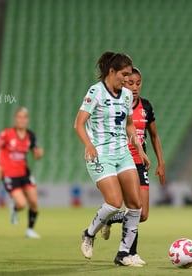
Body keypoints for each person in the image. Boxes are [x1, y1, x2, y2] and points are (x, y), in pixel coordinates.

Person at [74, 52, 150, 266]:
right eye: (124, 74)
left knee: (136, 206)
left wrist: (140, 150)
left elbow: (128, 125)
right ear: (112, 72)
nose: (127, 79)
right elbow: (79, 124)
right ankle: (89, 234)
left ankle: (124, 254)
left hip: (123, 153)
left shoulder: (126, 95)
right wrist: (88, 144)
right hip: (101, 154)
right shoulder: (95, 92)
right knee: (115, 203)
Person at [100, 67, 165, 265]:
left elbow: (153, 135)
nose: (135, 87)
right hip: (122, 162)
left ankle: (111, 219)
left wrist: (161, 163)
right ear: (123, 83)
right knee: (133, 208)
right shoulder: (116, 104)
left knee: (142, 214)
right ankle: (128, 253)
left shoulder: (146, 106)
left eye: (138, 83)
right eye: (130, 83)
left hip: (140, 162)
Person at [0, 107, 43, 238]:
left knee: (34, 202)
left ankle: (29, 230)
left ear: (27, 120)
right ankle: (15, 208)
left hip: (24, 173)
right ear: (15, 119)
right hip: (9, 175)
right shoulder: (7, 134)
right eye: (19, 117)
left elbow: (36, 155)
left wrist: (39, 154)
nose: (22, 120)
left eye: (24, 117)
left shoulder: (30, 135)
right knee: (22, 204)